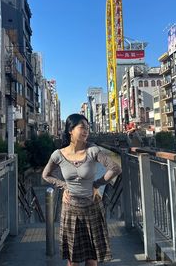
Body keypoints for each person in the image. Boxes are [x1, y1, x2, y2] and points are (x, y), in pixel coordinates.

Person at [42, 113, 122, 266]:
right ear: (70, 130)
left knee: (92, 259)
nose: (86, 131)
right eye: (82, 128)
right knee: (72, 259)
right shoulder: (58, 155)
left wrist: (96, 184)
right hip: (70, 210)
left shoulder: (92, 150)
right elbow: (46, 175)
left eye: (88, 128)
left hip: (92, 207)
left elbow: (115, 168)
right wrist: (64, 186)